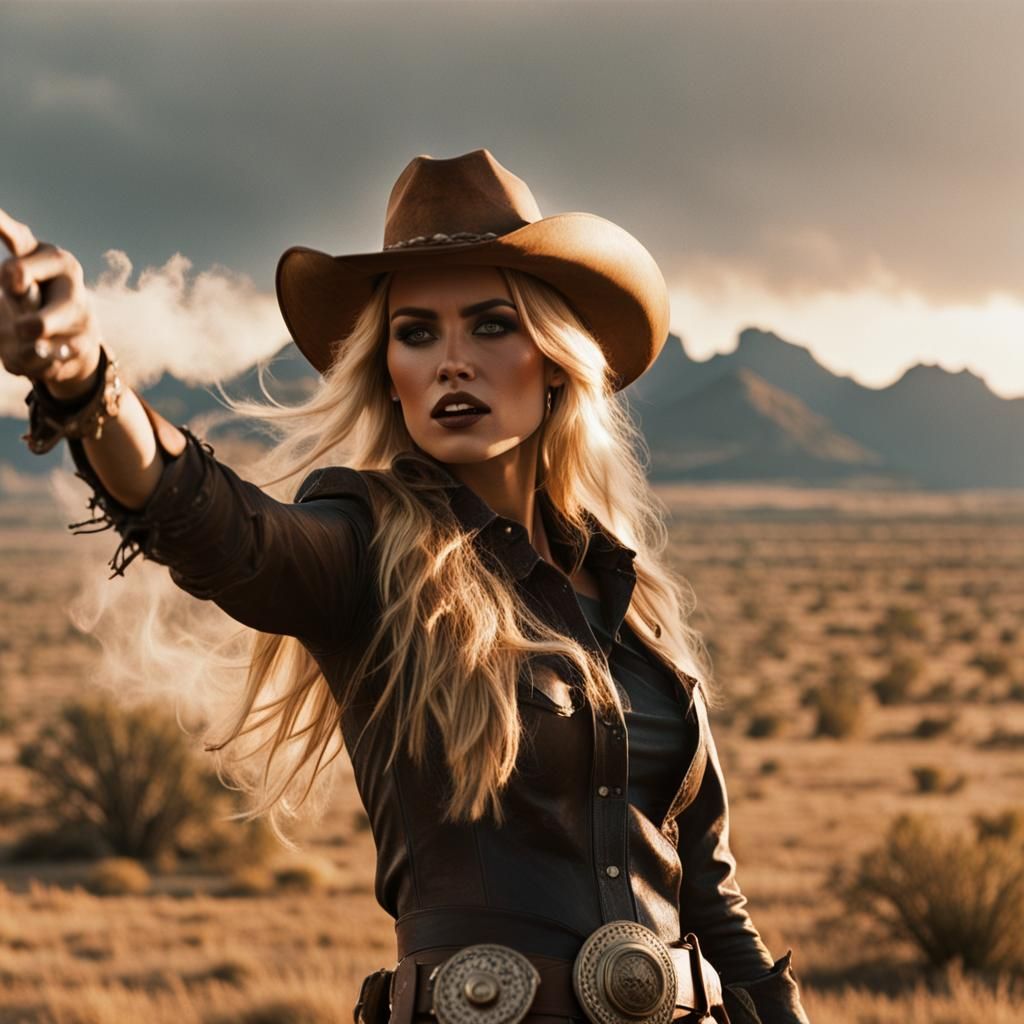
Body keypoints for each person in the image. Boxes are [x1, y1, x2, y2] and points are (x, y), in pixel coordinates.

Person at [0, 149, 810, 1024]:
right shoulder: (367, 548)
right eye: (417, 332)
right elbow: (224, 529)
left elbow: (716, 912)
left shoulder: (631, 598)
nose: (451, 361)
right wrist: (84, 381)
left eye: (491, 325)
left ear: (555, 358)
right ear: (388, 370)